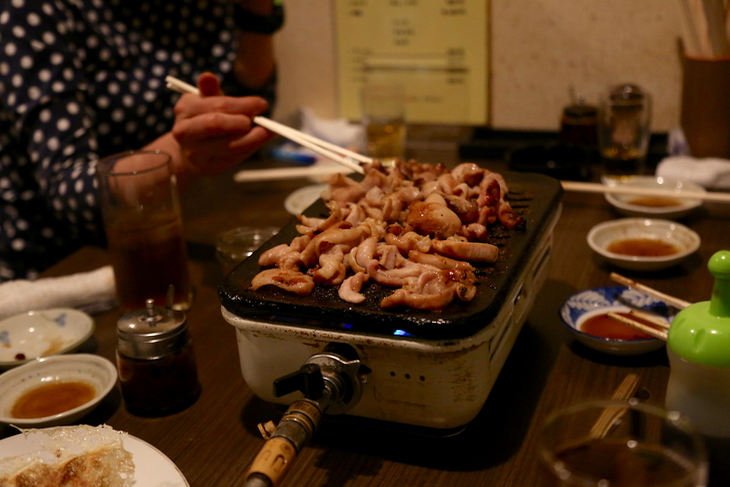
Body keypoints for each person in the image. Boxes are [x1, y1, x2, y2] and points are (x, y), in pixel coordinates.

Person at [0, 0, 284, 282]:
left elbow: (252, 114)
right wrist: (178, 155)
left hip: (172, 234)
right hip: (60, 267)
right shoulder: (34, 9)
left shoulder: (197, 8)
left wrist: (256, 11)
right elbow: (69, 191)